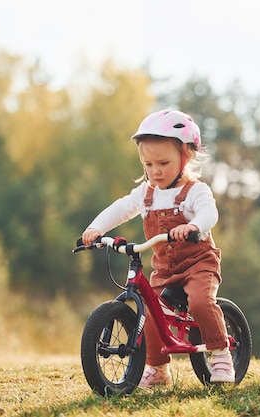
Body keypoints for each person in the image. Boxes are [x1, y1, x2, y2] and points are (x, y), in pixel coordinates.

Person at [81, 109, 235, 387]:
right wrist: (96, 229)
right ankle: (158, 370)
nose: (155, 171)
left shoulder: (195, 191)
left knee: (200, 302)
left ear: (185, 156)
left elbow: (209, 213)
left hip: (199, 264)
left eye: (163, 162)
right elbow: (121, 208)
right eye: (148, 164)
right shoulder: (146, 193)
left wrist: (194, 227)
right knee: (148, 312)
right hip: (165, 270)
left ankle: (221, 354)